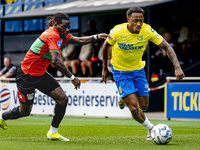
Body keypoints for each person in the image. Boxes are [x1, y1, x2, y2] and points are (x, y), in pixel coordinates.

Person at [0, 13, 111, 141]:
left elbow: (78, 40)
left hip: (41, 74)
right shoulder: (52, 35)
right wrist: (72, 77)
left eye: (69, 26)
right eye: (65, 27)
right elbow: (56, 61)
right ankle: (2, 117)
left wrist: (96, 36)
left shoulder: (60, 34)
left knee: (63, 99)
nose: (67, 29)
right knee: (24, 112)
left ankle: (53, 132)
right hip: (27, 75)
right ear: (56, 25)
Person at [102, 7, 185, 140]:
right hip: (120, 72)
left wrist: (177, 67)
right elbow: (106, 45)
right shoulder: (118, 31)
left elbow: (167, 46)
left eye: (141, 21)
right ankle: (151, 128)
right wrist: (105, 68)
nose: (139, 24)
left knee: (144, 105)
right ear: (128, 19)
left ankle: (124, 97)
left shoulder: (147, 30)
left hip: (138, 70)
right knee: (134, 107)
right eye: (135, 21)